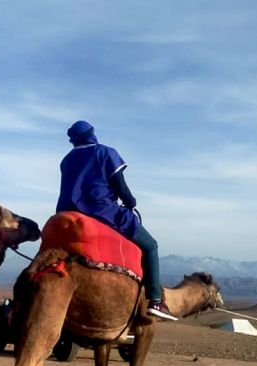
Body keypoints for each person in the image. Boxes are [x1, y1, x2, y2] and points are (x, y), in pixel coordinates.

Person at [56, 120, 174, 320]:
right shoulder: (105, 153)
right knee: (151, 246)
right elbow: (120, 186)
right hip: (102, 211)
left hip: (65, 213)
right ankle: (155, 300)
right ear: (92, 133)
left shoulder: (66, 160)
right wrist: (131, 202)